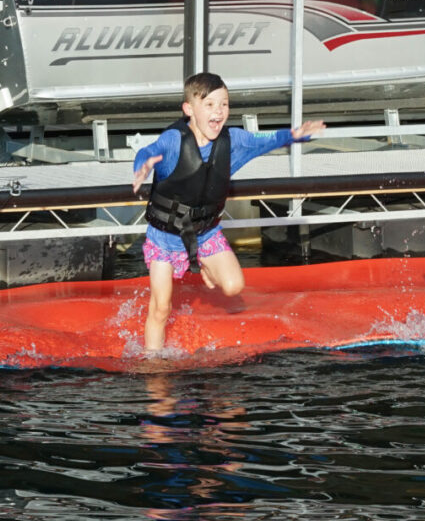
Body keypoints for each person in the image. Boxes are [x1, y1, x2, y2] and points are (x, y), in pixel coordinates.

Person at [132, 71, 325, 352]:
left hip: (205, 231)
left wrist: (297, 135)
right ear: (189, 110)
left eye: (223, 104)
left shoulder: (234, 141)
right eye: (209, 105)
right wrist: (143, 165)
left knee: (234, 286)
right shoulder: (174, 141)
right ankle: (153, 364)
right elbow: (149, 151)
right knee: (161, 308)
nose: (218, 111)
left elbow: (268, 139)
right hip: (165, 236)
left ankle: (202, 263)